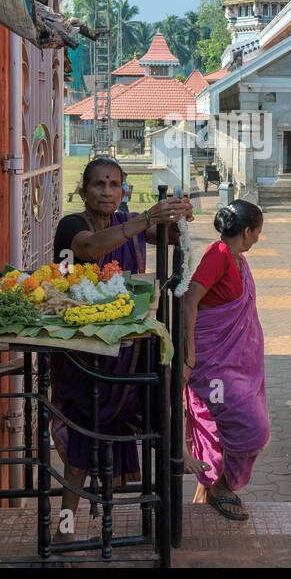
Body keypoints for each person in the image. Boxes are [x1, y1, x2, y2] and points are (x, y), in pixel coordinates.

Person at [50, 158, 194, 526]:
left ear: (123, 191)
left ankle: (168, 476)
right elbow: (89, 249)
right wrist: (146, 218)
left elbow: (170, 238)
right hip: (86, 351)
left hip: (125, 347)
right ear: (83, 191)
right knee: (82, 446)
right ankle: (66, 527)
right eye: (99, 184)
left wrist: (177, 216)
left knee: (155, 405)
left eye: (114, 184)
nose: (107, 191)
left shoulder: (123, 221)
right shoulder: (73, 224)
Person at [178, 200, 270, 521]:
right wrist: (189, 355)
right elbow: (190, 299)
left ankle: (209, 490)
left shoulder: (237, 258)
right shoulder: (218, 255)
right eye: (257, 232)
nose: (258, 238)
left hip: (233, 365)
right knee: (250, 428)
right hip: (211, 363)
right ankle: (219, 486)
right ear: (246, 231)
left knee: (223, 426)